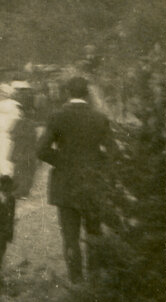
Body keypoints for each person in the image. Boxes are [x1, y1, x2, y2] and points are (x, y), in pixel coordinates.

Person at [37, 75, 114, 283]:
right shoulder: (99, 118)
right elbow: (112, 152)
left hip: (66, 183)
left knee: (70, 238)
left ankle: (76, 284)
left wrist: (63, 162)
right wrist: (97, 166)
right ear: (87, 94)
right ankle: (96, 284)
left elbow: (41, 150)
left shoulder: (57, 116)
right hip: (93, 183)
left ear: (67, 93)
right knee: (94, 234)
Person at [0, 84, 23, 177]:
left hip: (7, 133)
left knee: (6, 155)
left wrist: (10, 130)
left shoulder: (13, 104)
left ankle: (8, 174)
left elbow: (16, 118)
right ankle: (6, 174)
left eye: (2, 93)